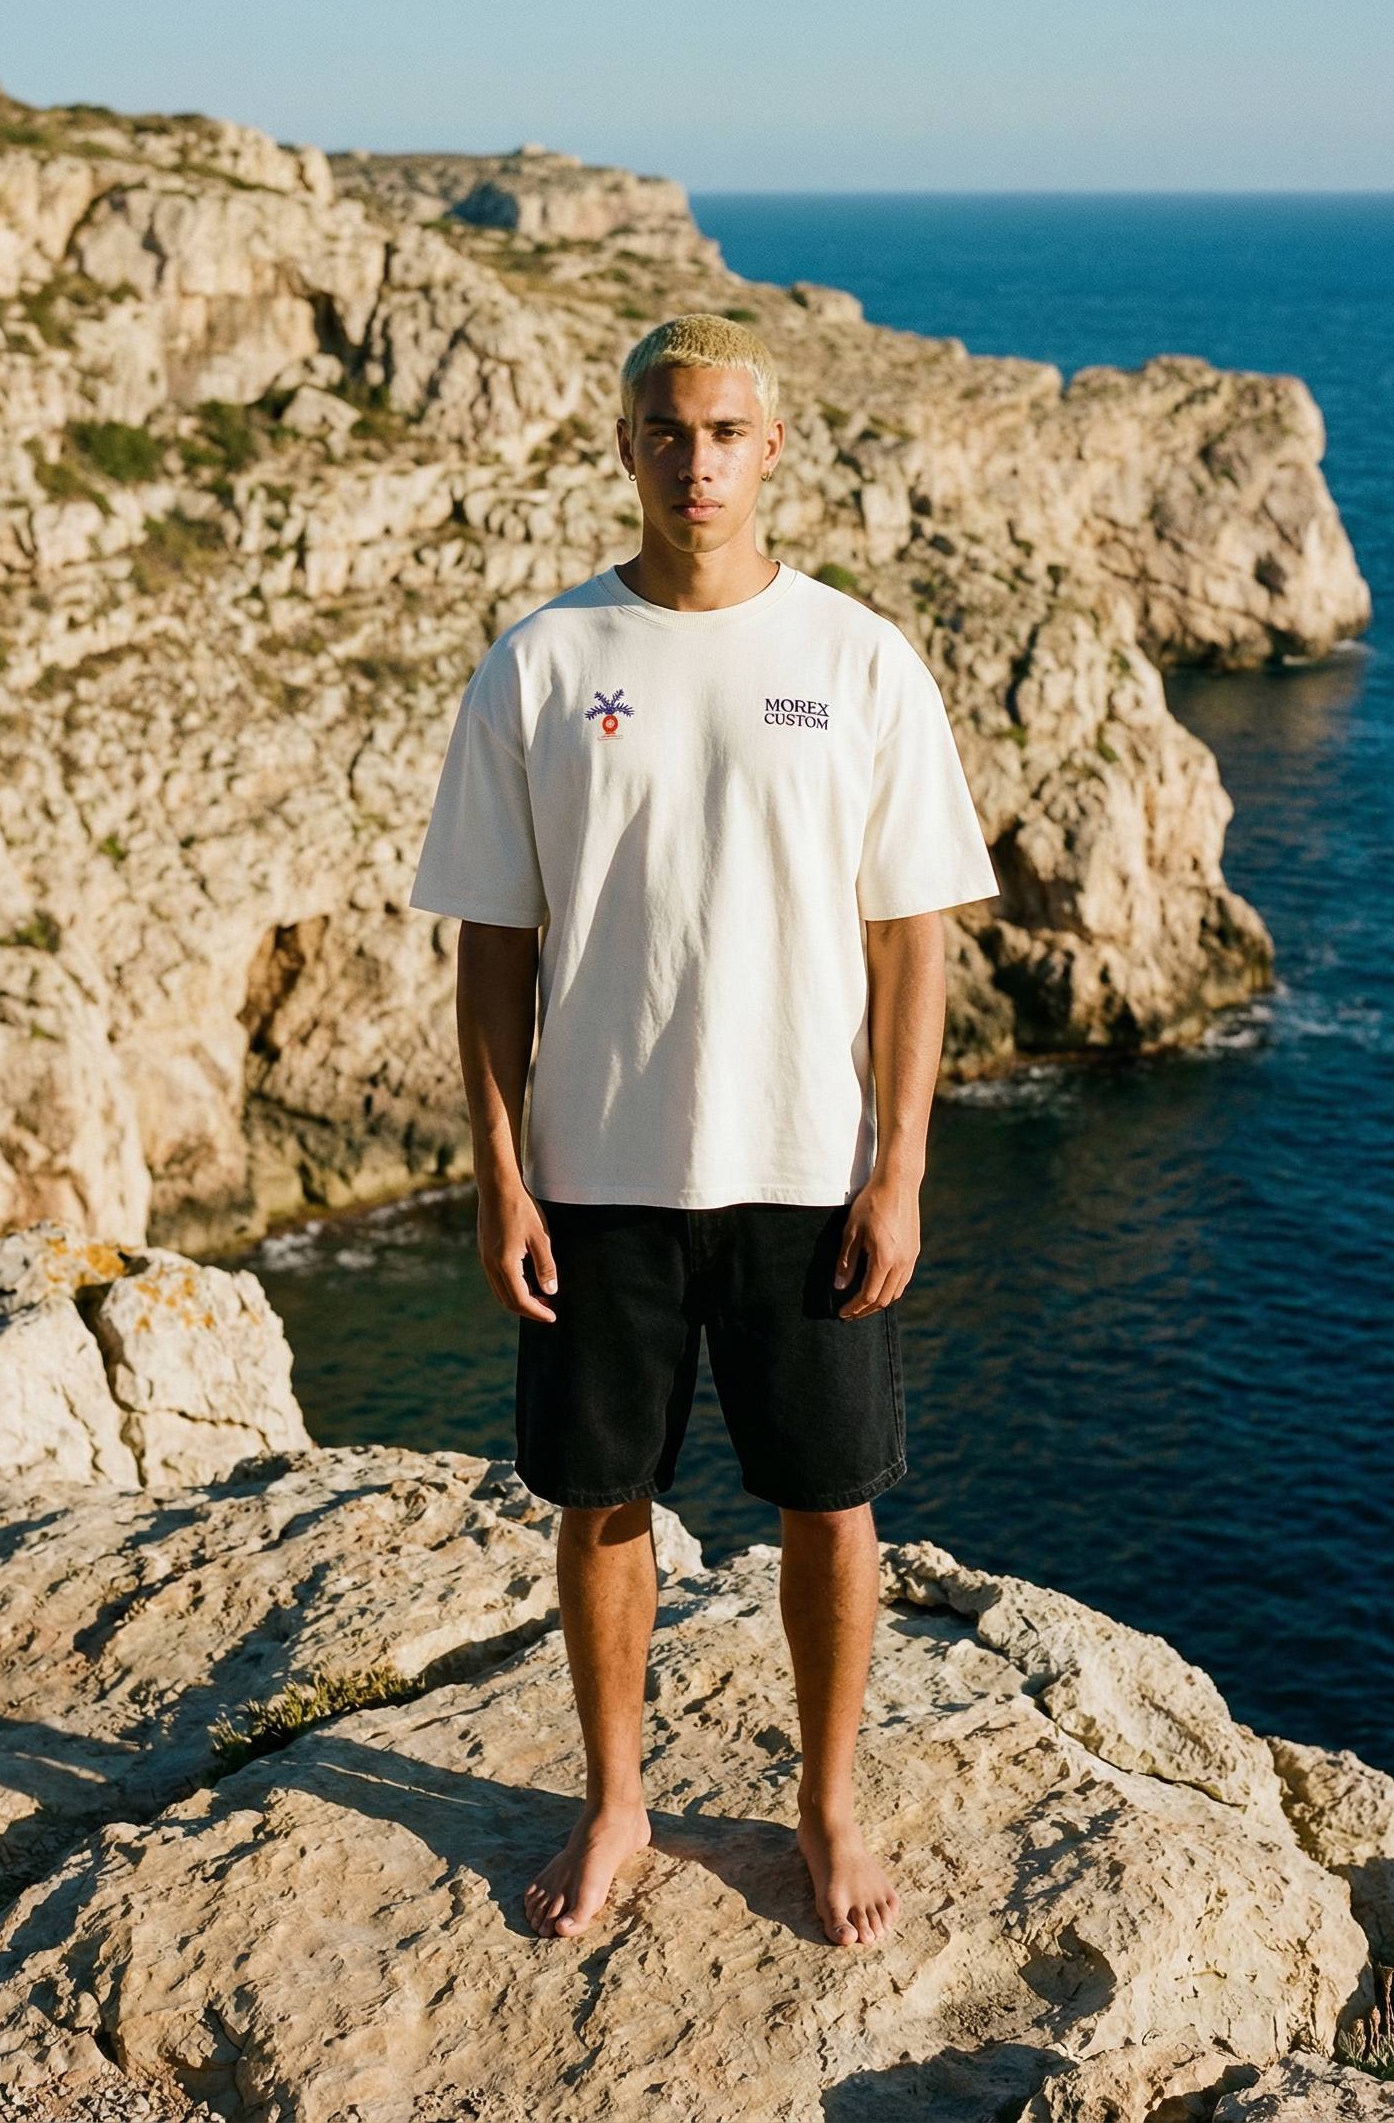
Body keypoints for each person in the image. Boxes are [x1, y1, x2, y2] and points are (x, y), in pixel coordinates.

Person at [408, 313, 999, 1948]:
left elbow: (914, 938)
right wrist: (499, 1175)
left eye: (727, 432)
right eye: (668, 433)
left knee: (833, 1504)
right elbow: (492, 941)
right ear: (626, 448)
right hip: (599, 1173)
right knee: (597, 1501)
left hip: (809, 1170)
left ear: (774, 449)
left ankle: (826, 1806)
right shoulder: (543, 663)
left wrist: (902, 1170)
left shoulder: (859, 658)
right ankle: (615, 1805)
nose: (697, 462)